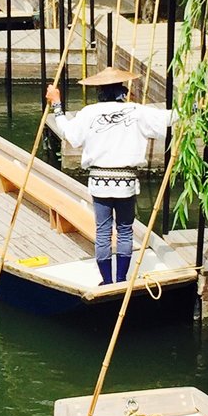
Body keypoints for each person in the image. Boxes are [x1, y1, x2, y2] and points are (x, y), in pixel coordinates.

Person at [46, 67, 174, 284]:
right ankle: (122, 278)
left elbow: (70, 135)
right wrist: (197, 106)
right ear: (123, 91)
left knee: (103, 231)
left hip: (99, 181)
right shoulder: (136, 111)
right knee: (125, 230)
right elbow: (170, 118)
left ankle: (107, 280)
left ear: (101, 92)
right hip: (126, 181)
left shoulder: (89, 113)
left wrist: (57, 104)